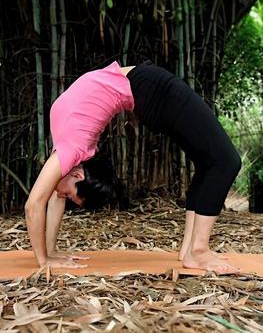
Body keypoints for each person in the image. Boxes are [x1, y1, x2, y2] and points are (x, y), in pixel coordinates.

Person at [25, 60, 241, 274]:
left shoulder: (72, 149)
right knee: (223, 161)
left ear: (78, 175)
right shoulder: (73, 150)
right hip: (147, 91)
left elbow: (33, 205)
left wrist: (44, 259)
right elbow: (53, 199)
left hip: (152, 89)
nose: (63, 195)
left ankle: (191, 250)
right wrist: (49, 255)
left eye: (70, 195)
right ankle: (198, 250)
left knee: (217, 162)